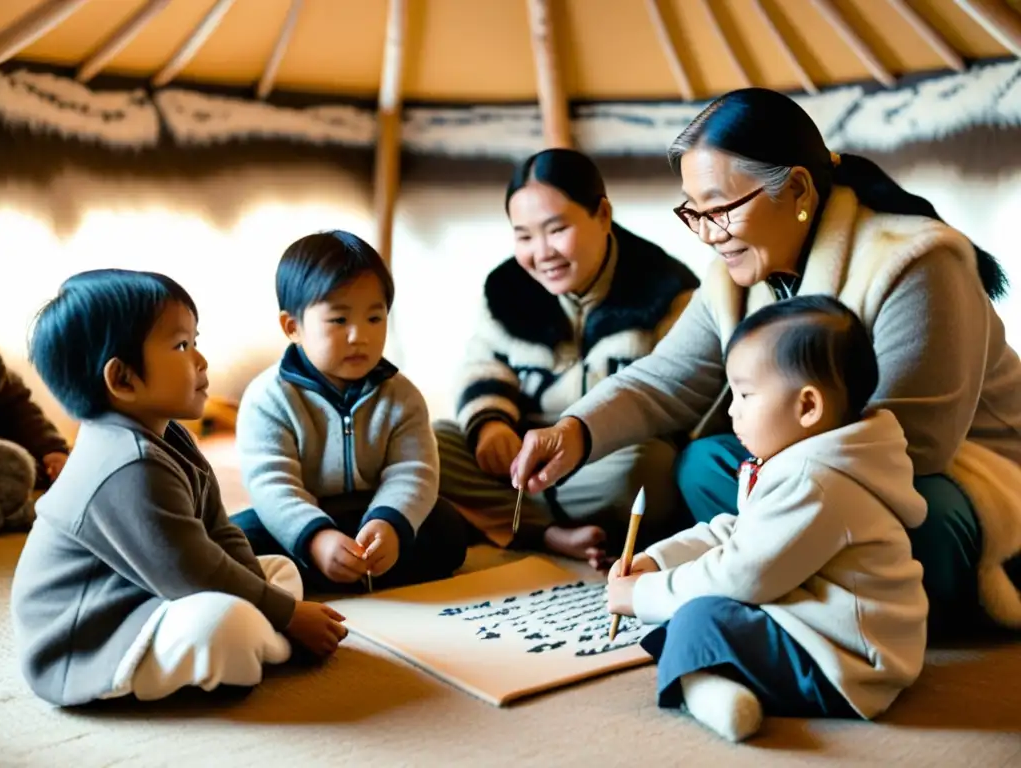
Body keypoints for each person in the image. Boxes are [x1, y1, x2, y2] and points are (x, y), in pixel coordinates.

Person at [511, 87, 1021, 639]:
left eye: (722, 209)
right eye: (694, 213)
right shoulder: (733, 276)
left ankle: (845, 600)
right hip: (820, 474)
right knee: (705, 463)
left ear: (797, 187)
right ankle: (797, 590)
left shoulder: (916, 261)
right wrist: (573, 432)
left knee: (918, 518)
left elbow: (911, 445)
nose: (708, 234)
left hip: (953, 480)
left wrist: (777, 493)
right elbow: (665, 381)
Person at [11, 269, 345, 707]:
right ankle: (264, 644)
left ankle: (265, 636)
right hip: (88, 637)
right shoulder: (126, 465)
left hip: (143, 592)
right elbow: (194, 572)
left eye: (195, 340)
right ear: (123, 380)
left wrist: (277, 605)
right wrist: (286, 616)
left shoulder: (168, 436)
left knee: (277, 570)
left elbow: (218, 531)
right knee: (230, 625)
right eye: (182, 346)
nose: (201, 360)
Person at [606, 296, 927, 742]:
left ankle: (702, 689)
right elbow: (738, 530)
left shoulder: (816, 480)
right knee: (690, 609)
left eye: (745, 395)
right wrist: (660, 561)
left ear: (807, 406)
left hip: (845, 663)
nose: (731, 410)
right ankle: (706, 678)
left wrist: (642, 595)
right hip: (831, 634)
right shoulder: (807, 459)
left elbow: (742, 575)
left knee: (700, 613)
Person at [435, 148, 700, 567]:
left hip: (604, 463)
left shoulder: (665, 290)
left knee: (646, 467)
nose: (542, 253)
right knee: (434, 444)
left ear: (602, 215)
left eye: (557, 230)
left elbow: (682, 394)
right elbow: (482, 365)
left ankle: (517, 523)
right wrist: (490, 427)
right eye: (524, 236)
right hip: (524, 464)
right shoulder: (507, 290)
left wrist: (583, 441)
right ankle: (549, 533)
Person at [233, 231, 468, 592]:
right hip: (301, 521)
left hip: (371, 514)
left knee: (447, 527)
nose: (359, 335)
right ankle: (327, 571)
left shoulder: (401, 396)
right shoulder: (268, 398)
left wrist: (389, 524)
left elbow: (414, 470)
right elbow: (272, 485)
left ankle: (350, 573)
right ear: (292, 327)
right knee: (235, 543)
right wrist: (316, 539)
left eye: (374, 319)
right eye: (339, 321)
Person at [0, 348, 70, 533]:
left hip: (9, 467)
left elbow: (28, 417)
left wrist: (53, 449)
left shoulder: (8, 384)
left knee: (25, 467)